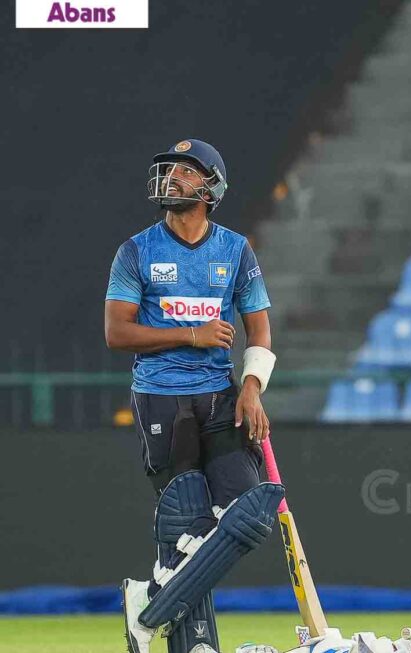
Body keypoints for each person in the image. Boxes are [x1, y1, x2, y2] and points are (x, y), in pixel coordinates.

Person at [106, 139, 282, 653]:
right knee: (188, 527)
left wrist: (252, 387)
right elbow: (117, 333)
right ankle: (197, 641)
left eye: (185, 171)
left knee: (249, 513)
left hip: (221, 398)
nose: (172, 177)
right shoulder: (136, 250)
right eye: (170, 169)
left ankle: (151, 600)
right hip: (160, 398)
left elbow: (261, 331)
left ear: (211, 187)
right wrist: (191, 335)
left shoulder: (235, 249)